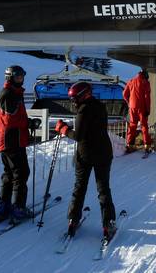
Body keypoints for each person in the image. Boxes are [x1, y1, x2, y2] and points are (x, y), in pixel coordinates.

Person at [54, 81, 117, 240]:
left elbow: (78, 136)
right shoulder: (100, 106)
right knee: (103, 188)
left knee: (80, 187)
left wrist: (64, 129)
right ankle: (108, 223)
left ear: (84, 95)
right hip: (103, 153)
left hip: (86, 155)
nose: (73, 102)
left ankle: (73, 219)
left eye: (75, 98)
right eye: (72, 98)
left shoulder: (83, 110)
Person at [0, 65, 35, 222]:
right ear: (10, 78)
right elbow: (10, 118)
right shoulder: (8, 94)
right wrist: (27, 123)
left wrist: (28, 123)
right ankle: (18, 207)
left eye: (22, 77)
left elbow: (15, 117)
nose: (21, 80)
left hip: (11, 139)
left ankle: (3, 205)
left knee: (10, 173)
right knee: (21, 173)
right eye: (17, 77)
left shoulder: (14, 93)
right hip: (11, 140)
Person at [123, 69, 152, 154]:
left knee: (132, 125)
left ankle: (129, 145)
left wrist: (130, 102)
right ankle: (147, 145)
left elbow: (124, 94)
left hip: (132, 107)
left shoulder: (131, 81)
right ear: (145, 76)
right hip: (142, 108)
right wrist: (148, 109)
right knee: (144, 126)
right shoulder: (145, 83)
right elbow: (147, 97)